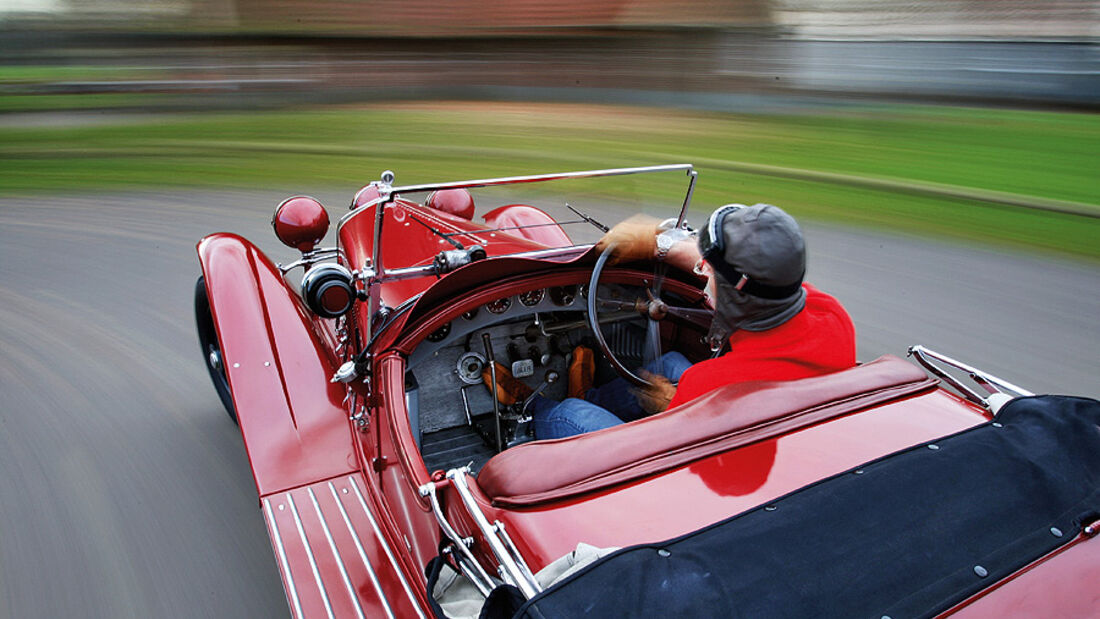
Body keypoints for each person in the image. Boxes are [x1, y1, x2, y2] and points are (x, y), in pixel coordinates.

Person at [486, 203, 857, 440]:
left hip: (675, 471)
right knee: (670, 365)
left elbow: (674, 440)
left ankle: (526, 409)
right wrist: (660, 245)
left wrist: (673, 406)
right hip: (777, 432)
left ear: (727, 297)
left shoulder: (710, 385)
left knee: (569, 415)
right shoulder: (831, 316)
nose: (701, 271)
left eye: (706, 270)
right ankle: (587, 394)